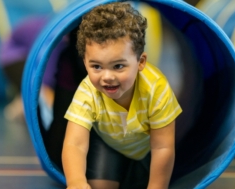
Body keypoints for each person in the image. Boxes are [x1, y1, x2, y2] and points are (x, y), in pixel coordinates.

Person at [61, 2, 182, 189]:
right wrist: (76, 182)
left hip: (146, 148)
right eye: (96, 66)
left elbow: (162, 147)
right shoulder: (88, 92)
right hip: (109, 145)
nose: (107, 77)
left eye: (118, 66)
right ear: (85, 62)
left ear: (140, 62)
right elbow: (75, 144)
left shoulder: (155, 89)